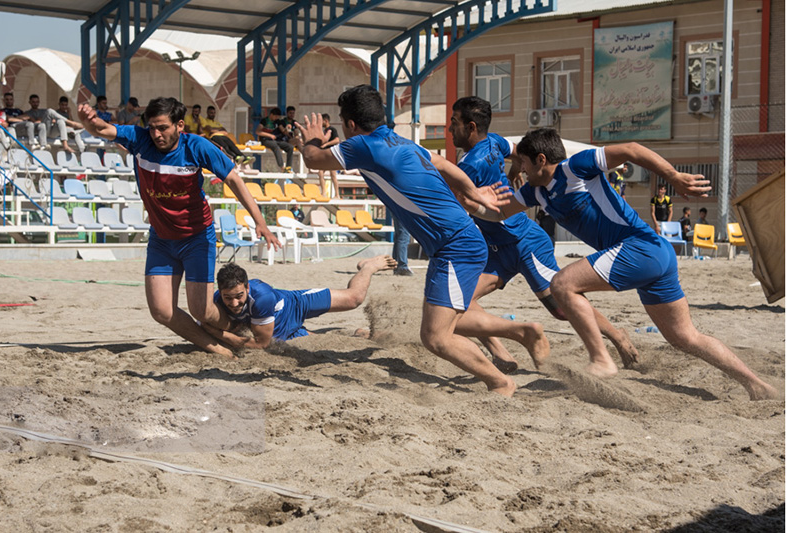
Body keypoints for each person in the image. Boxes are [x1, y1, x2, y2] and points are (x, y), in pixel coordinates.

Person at [467, 127, 777, 400]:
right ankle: (757, 385)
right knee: (684, 337)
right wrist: (466, 198)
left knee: (562, 284)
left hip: (642, 247)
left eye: (521, 161)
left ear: (541, 160)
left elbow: (632, 150)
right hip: (650, 256)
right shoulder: (535, 192)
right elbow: (498, 213)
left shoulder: (575, 168)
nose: (517, 167)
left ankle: (601, 358)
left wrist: (672, 176)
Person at [296, 85, 549, 397]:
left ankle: (501, 380)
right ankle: (522, 333)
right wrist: (472, 192)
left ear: (350, 125)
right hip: (458, 243)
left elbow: (313, 160)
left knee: (436, 337)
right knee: (450, 319)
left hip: (455, 245)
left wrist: (311, 139)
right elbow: (443, 164)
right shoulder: (402, 142)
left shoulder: (364, 145)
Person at [77, 96, 281, 358]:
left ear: (180, 126)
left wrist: (260, 222)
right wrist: (89, 122)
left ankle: (240, 329)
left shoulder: (196, 147)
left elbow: (233, 179)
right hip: (162, 239)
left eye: (162, 127)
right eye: (152, 127)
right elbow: (104, 129)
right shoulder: (140, 139)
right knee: (162, 311)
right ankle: (218, 348)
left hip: (197, 238)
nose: (156, 133)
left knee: (202, 311)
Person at [448, 96, 637, 373]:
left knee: (562, 309)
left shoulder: (470, 167)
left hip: (524, 242)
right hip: (498, 249)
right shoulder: (494, 142)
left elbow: (452, 204)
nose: (449, 129)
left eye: (454, 123)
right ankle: (502, 354)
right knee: (459, 301)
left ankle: (617, 335)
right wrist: (515, 167)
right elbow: (514, 150)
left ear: (471, 127)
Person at [201, 256, 397, 349]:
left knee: (354, 298)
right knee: (331, 344)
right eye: (228, 298)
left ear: (247, 287)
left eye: (239, 296)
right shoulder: (216, 301)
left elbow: (260, 344)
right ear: (220, 292)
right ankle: (360, 334)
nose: (234, 303)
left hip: (295, 303)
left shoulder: (262, 298)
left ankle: (368, 267)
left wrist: (219, 333)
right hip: (280, 332)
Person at [256, 107, 293, 172]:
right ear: (271, 115)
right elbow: (258, 132)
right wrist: (269, 135)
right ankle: (282, 166)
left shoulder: (277, 121)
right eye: (275, 116)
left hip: (274, 140)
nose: (276, 118)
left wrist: (287, 128)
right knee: (276, 147)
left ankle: (288, 167)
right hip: (265, 140)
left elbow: (283, 130)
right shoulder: (264, 121)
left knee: (290, 147)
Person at [316, 113, 341, 198]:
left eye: (321, 121)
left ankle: (337, 194)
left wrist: (326, 144)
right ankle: (324, 193)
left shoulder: (332, 129)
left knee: (333, 174)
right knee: (320, 173)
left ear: (326, 121)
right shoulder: (324, 131)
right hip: (325, 156)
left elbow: (337, 140)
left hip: (331, 154)